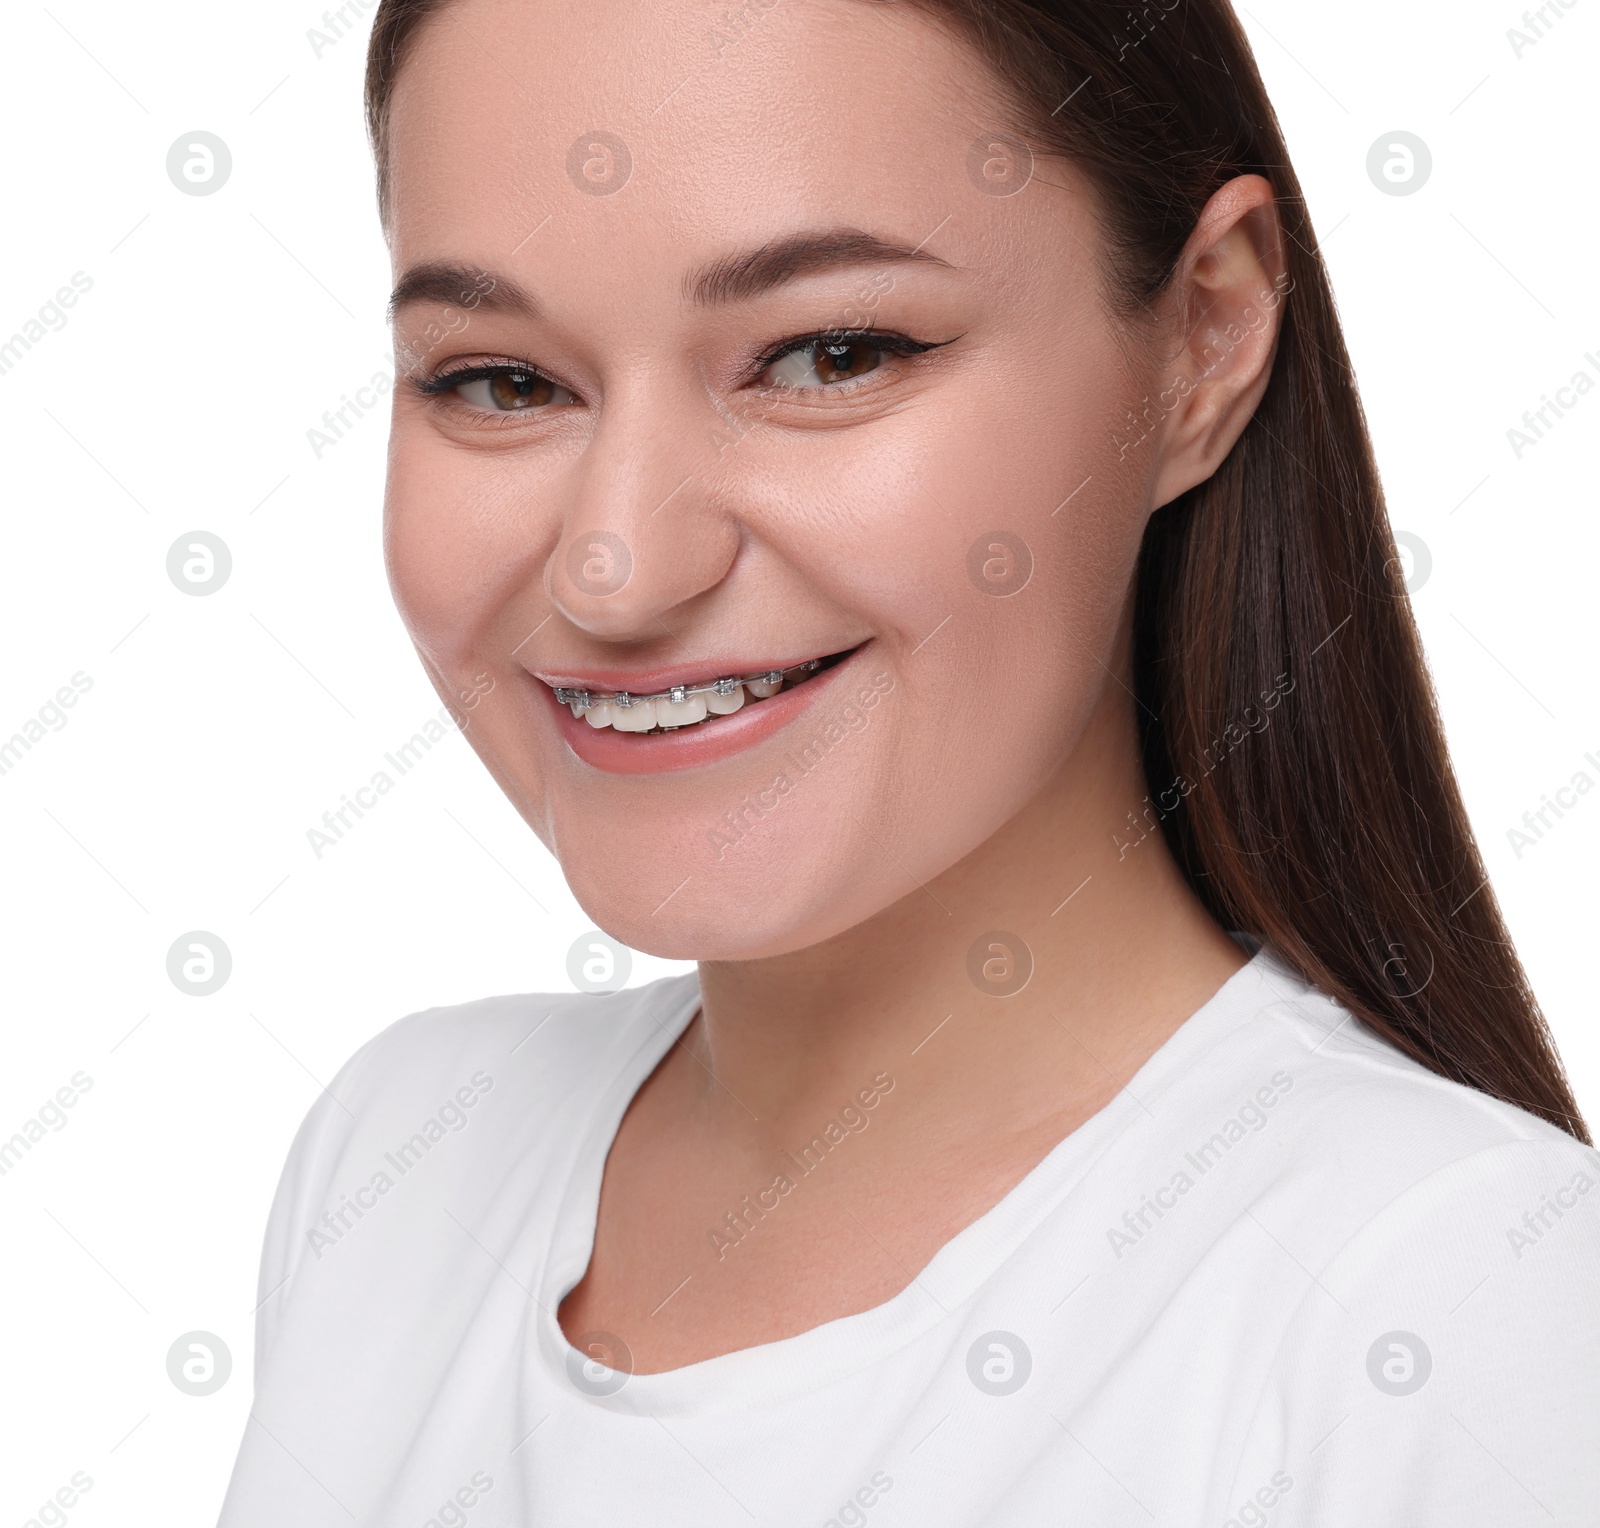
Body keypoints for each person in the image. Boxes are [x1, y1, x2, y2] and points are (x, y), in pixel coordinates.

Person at [218, 1, 1600, 1523]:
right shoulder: (405, 1160)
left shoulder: (1448, 1306)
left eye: (829, 353)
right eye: (499, 381)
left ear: (1204, 336)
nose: (617, 566)